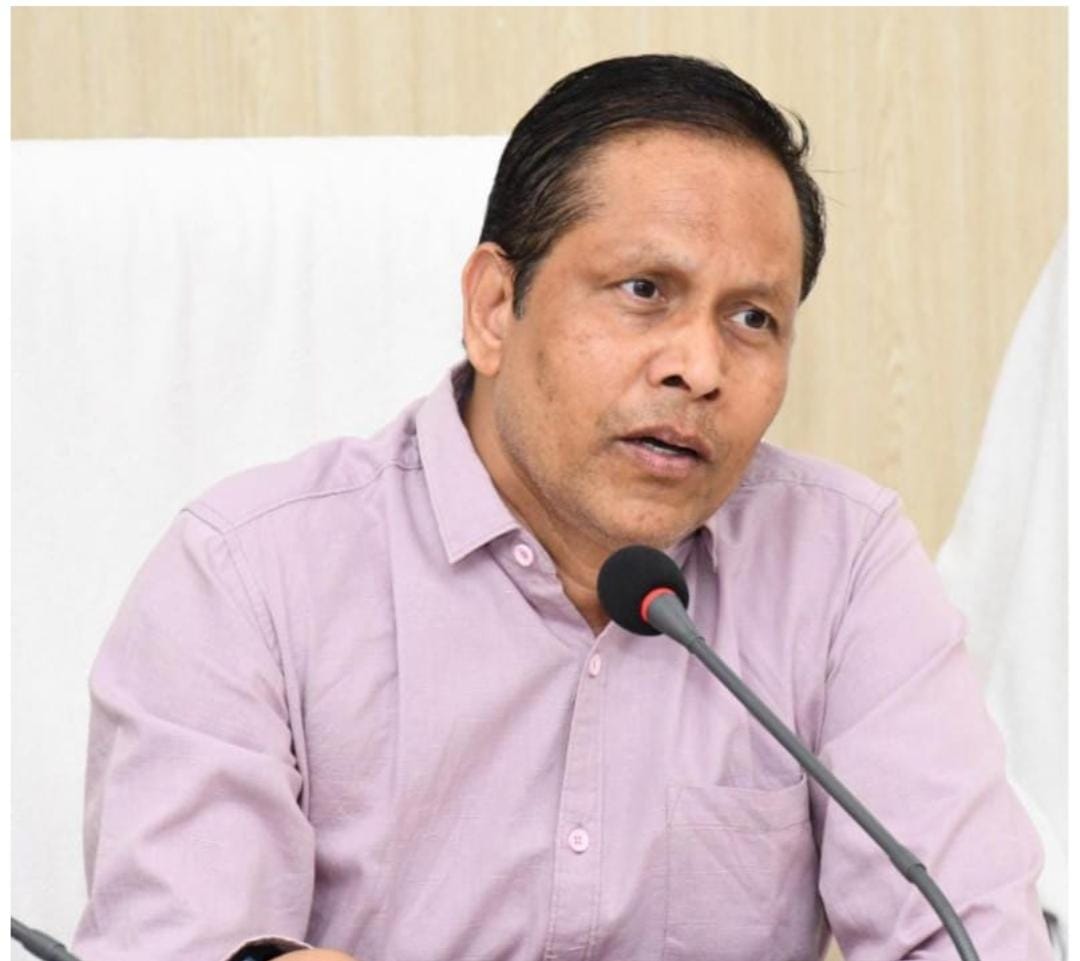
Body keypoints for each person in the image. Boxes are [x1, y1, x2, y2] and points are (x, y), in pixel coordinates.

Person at [72, 54, 1053, 961]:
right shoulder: (248, 577)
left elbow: (972, 938)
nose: (699, 367)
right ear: (495, 307)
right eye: (644, 289)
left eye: (753, 318)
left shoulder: (843, 566)